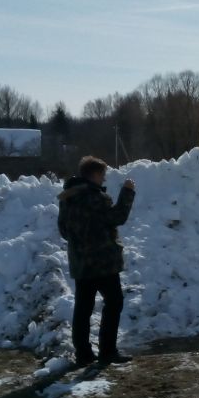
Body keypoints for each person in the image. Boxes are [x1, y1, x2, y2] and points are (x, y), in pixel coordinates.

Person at [57, 156, 137, 367]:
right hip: (102, 264)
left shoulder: (68, 198)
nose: (104, 179)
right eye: (102, 175)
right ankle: (108, 351)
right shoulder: (96, 198)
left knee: (83, 308)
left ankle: (83, 354)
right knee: (114, 303)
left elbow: (64, 231)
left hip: (81, 264)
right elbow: (118, 217)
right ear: (94, 175)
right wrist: (127, 192)